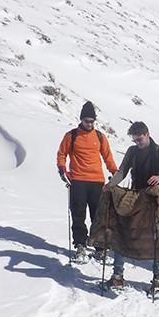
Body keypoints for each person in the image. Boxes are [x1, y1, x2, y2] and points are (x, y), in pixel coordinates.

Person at [99, 121, 159, 296]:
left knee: (157, 238)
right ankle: (117, 276)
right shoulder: (132, 151)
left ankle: (157, 281)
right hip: (135, 198)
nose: (137, 143)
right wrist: (111, 185)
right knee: (121, 233)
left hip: (154, 202)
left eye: (139, 139)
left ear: (147, 134)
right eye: (134, 140)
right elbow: (122, 171)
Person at [56, 101, 118, 262]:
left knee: (98, 216)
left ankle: (100, 248)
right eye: (87, 121)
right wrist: (62, 170)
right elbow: (61, 154)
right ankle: (80, 245)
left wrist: (116, 173)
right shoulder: (71, 136)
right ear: (81, 120)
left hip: (97, 181)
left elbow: (108, 157)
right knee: (78, 214)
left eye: (92, 121)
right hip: (78, 180)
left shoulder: (100, 137)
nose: (89, 124)